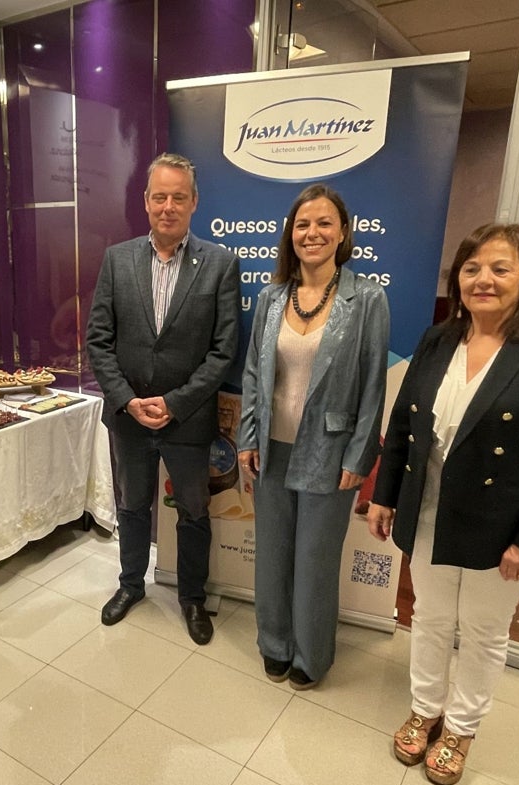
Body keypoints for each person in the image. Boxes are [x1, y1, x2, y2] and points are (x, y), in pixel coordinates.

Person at [368, 223, 519, 785]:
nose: (483, 280)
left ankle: (461, 727)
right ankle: (425, 710)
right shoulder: (438, 338)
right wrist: (385, 494)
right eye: (471, 269)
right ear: (458, 279)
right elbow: (403, 424)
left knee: (485, 629)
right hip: (428, 510)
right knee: (430, 617)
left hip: (504, 523)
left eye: (500, 269)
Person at [237, 184, 389, 690]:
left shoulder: (366, 298)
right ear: (290, 234)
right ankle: (274, 643)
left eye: (324, 223)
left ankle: (311, 655)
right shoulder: (270, 297)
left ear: (343, 232)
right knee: (273, 552)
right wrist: (247, 437)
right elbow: (254, 376)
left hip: (330, 450)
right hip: (271, 448)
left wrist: (360, 454)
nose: (313, 233)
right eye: (303, 224)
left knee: (316, 561)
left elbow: (373, 384)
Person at [85, 152, 240, 645]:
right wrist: (127, 400)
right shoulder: (118, 259)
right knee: (132, 506)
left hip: (188, 421)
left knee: (194, 512)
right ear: (145, 201)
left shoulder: (219, 264)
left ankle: (192, 598)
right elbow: (99, 340)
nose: (167, 206)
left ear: (194, 202)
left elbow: (223, 353)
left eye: (178, 196)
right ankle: (131, 585)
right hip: (128, 418)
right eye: (159, 196)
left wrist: (174, 403)